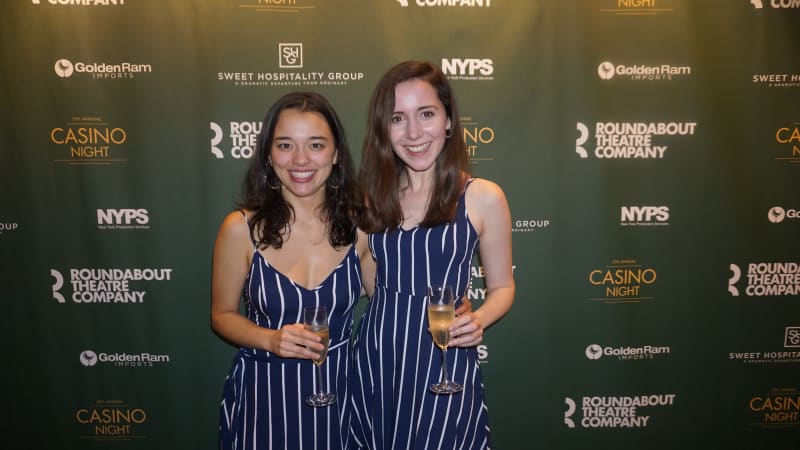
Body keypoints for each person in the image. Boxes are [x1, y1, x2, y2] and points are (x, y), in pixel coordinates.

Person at [349, 61, 515, 449]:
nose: (413, 132)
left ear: (448, 120)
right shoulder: (372, 199)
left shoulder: (483, 197)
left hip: (444, 362)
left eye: (426, 114)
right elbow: (373, 283)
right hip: (377, 357)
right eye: (397, 118)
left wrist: (478, 320)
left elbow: (504, 286)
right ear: (383, 129)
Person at [211, 92, 372, 450]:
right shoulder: (240, 229)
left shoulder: (361, 228)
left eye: (316, 144)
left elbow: (392, 300)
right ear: (269, 155)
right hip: (264, 399)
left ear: (335, 154)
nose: (301, 159)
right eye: (285, 145)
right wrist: (271, 339)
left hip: (340, 398)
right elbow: (221, 315)